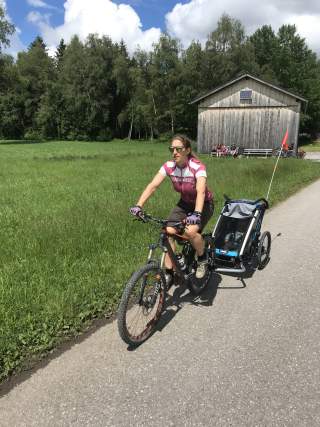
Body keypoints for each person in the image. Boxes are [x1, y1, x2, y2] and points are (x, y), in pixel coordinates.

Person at [129, 134, 214, 284]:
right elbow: (152, 186)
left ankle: (202, 258)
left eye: (178, 149)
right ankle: (169, 272)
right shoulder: (169, 166)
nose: (174, 152)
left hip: (204, 204)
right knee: (168, 231)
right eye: (172, 149)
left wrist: (197, 213)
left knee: (190, 231)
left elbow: (201, 191)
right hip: (184, 203)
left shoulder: (197, 167)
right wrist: (139, 205)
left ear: (187, 150)